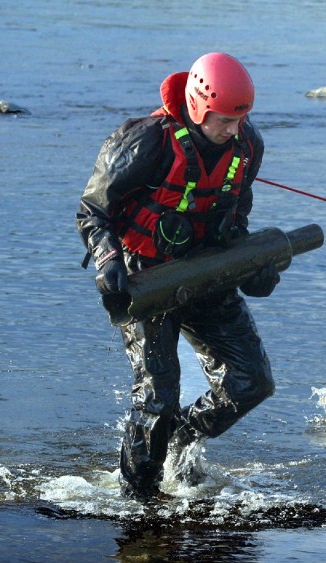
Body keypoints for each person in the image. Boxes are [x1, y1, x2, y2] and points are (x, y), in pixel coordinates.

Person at [76, 52, 279, 500]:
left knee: (252, 384)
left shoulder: (248, 146)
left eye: (241, 120)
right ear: (199, 106)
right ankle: (138, 502)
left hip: (206, 273)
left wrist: (255, 269)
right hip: (145, 279)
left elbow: (236, 219)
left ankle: (182, 438)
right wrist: (108, 259)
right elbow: (92, 210)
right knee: (157, 400)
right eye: (225, 120)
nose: (234, 130)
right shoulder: (143, 141)